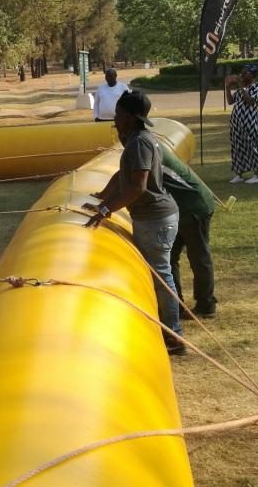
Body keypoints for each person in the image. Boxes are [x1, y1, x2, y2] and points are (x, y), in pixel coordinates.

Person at [83, 90, 185, 355]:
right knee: (161, 274)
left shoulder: (140, 143)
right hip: (154, 217)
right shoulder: (137, 140)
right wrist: (102, 199)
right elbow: (123, 177)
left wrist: (104, 210)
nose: (114, 118)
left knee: (161, 277)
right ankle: (171, 328)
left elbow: (137, 187)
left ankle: (174, 335)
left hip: (155, 218)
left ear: (129, 116)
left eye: (117, 113)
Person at [160, 146, 218, 319]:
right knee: (169, 256)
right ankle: (176, 306)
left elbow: (135, 184)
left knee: (198, 256)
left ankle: (206, 305)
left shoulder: (143, 147)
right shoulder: (148, 144)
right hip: (180, 209)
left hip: (194, 207)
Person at [226, 64, 258, 184]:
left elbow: (250, 101)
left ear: (252, 75)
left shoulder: (257, 87)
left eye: (245, 73)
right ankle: (239, 174)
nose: (242, 75)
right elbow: (230, 101)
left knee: (253, 146)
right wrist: (228, 87)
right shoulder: (242, 88)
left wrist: (241, 86)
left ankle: (257, 175)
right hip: (237, 122)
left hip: (251, 121)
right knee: (238, 147)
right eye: (242, 72)